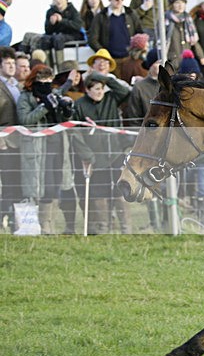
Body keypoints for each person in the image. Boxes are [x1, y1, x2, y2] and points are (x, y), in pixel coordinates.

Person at [16, 65, 76, 234]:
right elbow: (25, 119)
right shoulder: (26, 97)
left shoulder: (53, 93)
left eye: (49, 80)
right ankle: (44, 226)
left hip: (58, 144)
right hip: (39, 147)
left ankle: (50, 223)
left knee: (57, 184)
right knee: (45, 186)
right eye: (43, 80)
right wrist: (44, 107)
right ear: (34, 80)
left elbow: (64, 118)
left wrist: (66, 110)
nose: (46, 84)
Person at [70, 70, 131, 234]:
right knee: (98, 192)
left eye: (101, 88)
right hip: (95, 157)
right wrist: (86, 155)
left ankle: (126, 227)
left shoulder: (111, 99)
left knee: (120, 189)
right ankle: (103, 227)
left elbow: (125, 92)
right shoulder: (80, 105)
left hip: (115, 152)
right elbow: (75, 133)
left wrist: (104, 78)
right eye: (96, 89)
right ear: (87, 90)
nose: (99, 92)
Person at [88, 0, 144, 77]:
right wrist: (104, 54)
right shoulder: (101, 16)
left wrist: (136, 52)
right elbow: (92, 39)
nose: (120, 2)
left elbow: (140, 33)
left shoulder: (131, 14)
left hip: (129, 59)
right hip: (111, 60)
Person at [0, 46, 23, 228]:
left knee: (16, 182)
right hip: (4, 142)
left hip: (19, 140)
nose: (11, 66)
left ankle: (15, 219)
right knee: (7, 183)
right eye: (7, 63)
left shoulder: (15, 85)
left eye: (12, 63)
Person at [37, 0, 84, 71]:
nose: (58, 0)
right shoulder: (50, 11)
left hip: (70, 35)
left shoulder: (73, 11)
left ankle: (60, 69)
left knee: (58, 39)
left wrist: (62, 20)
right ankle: (49, 69)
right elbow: (47, 30)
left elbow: (77, 26)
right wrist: (51, 23)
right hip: (56, 35)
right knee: (45, 39)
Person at [164, 0, 203, 69]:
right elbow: (159, 40)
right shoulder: (165, 20)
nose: (180, 5)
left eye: (183, 2)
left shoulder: (188, 20)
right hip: (172, 62)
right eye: (177, 3)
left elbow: (194, 41)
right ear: (172, 5)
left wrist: (201, 56)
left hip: (186, 61)